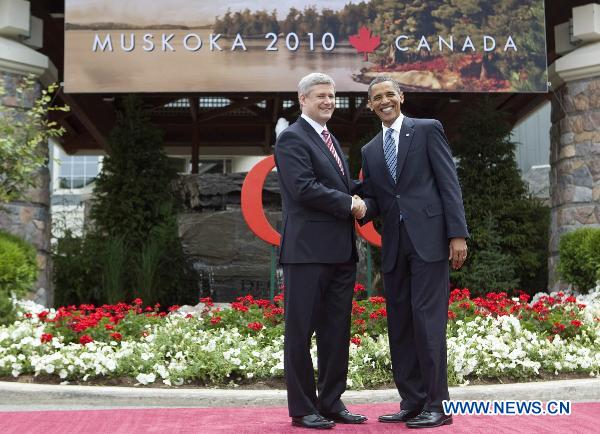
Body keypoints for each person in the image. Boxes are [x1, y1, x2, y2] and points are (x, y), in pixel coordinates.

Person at [358, 76, 468, 428]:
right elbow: (377, 199)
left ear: (401, 97)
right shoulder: (370, 150)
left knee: (427, 322)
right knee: (401, 324)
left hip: (430, 241)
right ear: (370, 105)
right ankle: (413, 402)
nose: (384, 100)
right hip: (394, 246)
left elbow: (448, 182)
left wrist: (457, 235)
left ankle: (437, 405)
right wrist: (356, 205)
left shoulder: (427, 129)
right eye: (377, 97)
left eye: (390, 94)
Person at [274, 72, 368, 429]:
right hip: (307, 255)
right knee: (300, 333)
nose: (329, 101)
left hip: (341, 254)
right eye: (320, 96)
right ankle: (302, 409)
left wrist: (376, 193)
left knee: (335, 333)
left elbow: (344, 186)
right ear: (303, 100)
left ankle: (331, 402)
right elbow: (304, 189)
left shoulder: (330, 139)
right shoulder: (292, 139)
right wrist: (352, 204)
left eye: (332, 96)